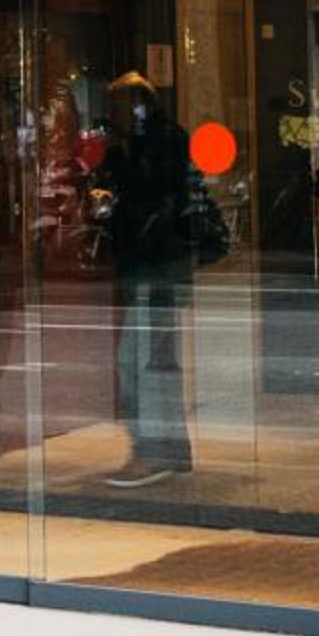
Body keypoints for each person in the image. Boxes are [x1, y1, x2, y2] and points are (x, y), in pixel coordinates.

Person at [103, 74, 193, 489]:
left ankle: (150, 450)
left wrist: (117, 161)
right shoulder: (161, 139)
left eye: (117, 107)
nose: (112, 117)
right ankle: (170, 449)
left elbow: (148, 197)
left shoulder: (154, 143)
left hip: (154, 265)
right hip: (159, 265)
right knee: (156, 361)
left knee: (138, 361)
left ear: (135, 106)